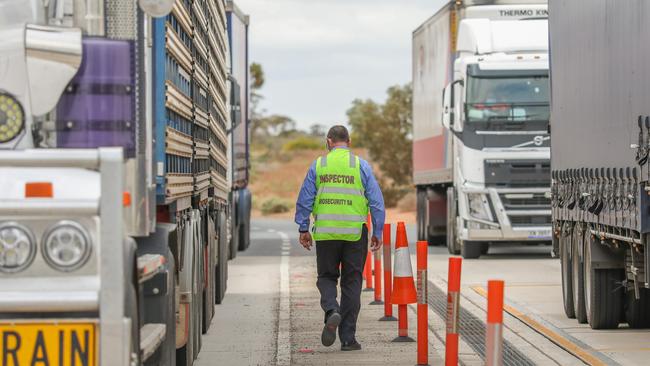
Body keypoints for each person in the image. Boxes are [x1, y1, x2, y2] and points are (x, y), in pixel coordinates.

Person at [294, 125, 385, 351]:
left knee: (326, 276)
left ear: (329, 142)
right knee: (352, 283)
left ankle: (331, 310)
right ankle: (347, 339)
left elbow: (305, 199)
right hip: (355, 233)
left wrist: (303, 228)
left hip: (326, 232)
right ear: (349, 141)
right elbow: (376, 201)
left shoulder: (319, 165)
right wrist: (378, 232)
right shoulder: (360, 165)